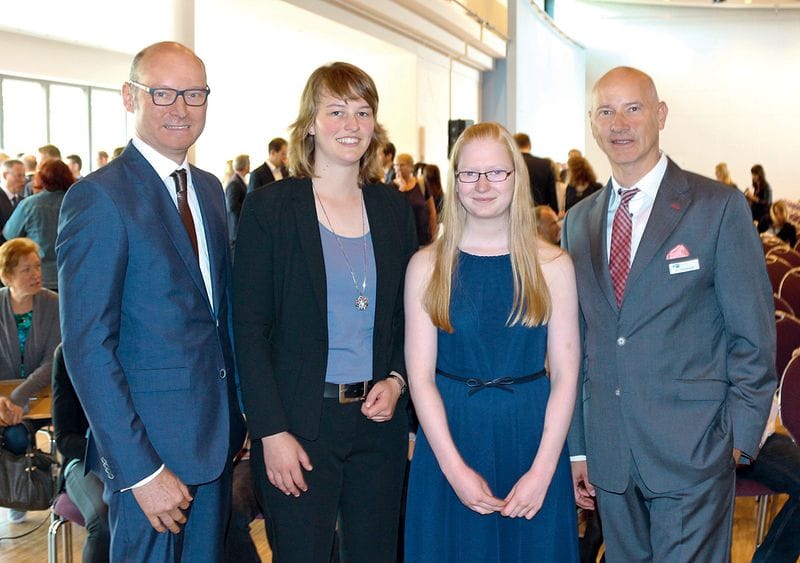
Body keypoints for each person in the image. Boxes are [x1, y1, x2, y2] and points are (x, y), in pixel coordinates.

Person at [563, 66, 775, 562]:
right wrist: (579, 447)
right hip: (610, 457)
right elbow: (577, 344)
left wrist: (737, 438)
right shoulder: (578, 222)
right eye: (606, 111)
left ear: (660, 115)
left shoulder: (717, 208)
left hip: (695, 452)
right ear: (592, 124)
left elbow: (753, 335)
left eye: (633, 108)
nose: (619, 124)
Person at [56, 41, 246, 561]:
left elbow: (217, 318)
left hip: (215, 443)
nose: (180, 108)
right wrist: (140, 471)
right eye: (163, 93)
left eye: (194, 94)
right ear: (129, 97)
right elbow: (87, 347)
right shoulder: (99, 197)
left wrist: (238, 416)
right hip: (149, 458)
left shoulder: (208, 190)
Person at [233, 61, 417, 563]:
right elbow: (248, 330)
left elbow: (406, 318)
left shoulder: (393, 209)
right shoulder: (270, 209)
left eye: (362, 112)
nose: (351, 124)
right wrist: (270, 432)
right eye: (336, 111)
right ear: (310, 123)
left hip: (377, 422)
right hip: (299, 426)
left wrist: (397, 379)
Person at [404, 122, 580, 561]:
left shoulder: (554, 265)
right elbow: (420, 377)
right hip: (450, 440)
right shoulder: (426, 266)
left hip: (532, 440)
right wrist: (454, 470)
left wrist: (543, 471)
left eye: (496, 172)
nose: (482, 185)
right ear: (455, 180)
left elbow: (565, 375)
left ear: (516, 177)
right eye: (469, 173)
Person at [0, 237, 60, 524]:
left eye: (37, 267)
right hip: (4, 402)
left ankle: (54, 491)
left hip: (47, 398)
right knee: (14, 437)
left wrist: (17, 397)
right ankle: (16, 493)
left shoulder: (52, 303)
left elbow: (52, 362)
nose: (36, 274)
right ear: (7, 276)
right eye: (26, 269)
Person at [52, 343, 110, 563]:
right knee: (103, 519)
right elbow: (65, 439)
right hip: (83, 461)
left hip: (138, 461)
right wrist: (112, 452)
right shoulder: (67, 354)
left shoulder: (135, 346)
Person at [4, 159, 74, 290]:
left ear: (41, 178)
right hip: (71, 274)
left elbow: (10, 234)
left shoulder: (30, 204)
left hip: (39, 276)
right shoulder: (77, 204)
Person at [393, 153, 437, 246]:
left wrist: (433, 237)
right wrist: (401, 188)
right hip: (402, 241)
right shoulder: (390, 187)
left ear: (411, 167)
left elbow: (432, 212)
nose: (398, 168)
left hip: (423, 239)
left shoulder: (421, 184)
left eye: (402, 165)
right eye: (396, 165)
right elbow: (394, 213)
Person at [513, 132, 558, 213]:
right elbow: (552, 199)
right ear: (529, 145)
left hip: (515, 214)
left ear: (514, 146)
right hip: (539, 215)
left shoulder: (510, 163)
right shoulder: (545, 164)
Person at [224, 153, 250, 252]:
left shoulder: (239, 180)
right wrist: (247, 209)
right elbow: (232, 206)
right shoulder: (235, 183)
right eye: (249, 163)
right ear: (245, 165)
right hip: (236, 229)